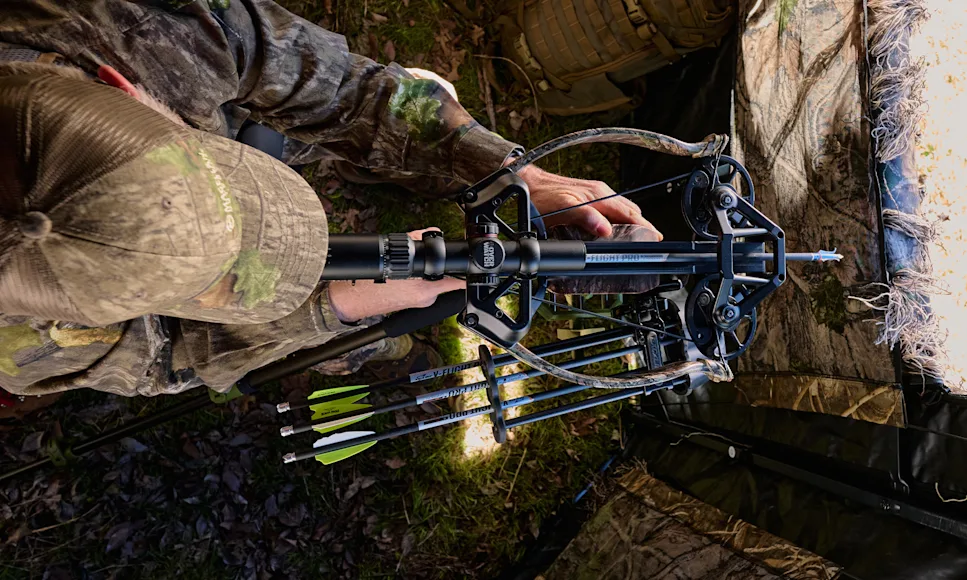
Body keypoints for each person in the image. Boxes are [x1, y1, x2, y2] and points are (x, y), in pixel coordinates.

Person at [0, 0, 658, 399]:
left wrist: (503, 171)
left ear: (119, 80)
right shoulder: (18, 341)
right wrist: (330, 310)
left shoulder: (132, 25)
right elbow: (165, 357)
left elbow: (353, 89)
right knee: (342, 343)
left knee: (423, 95)